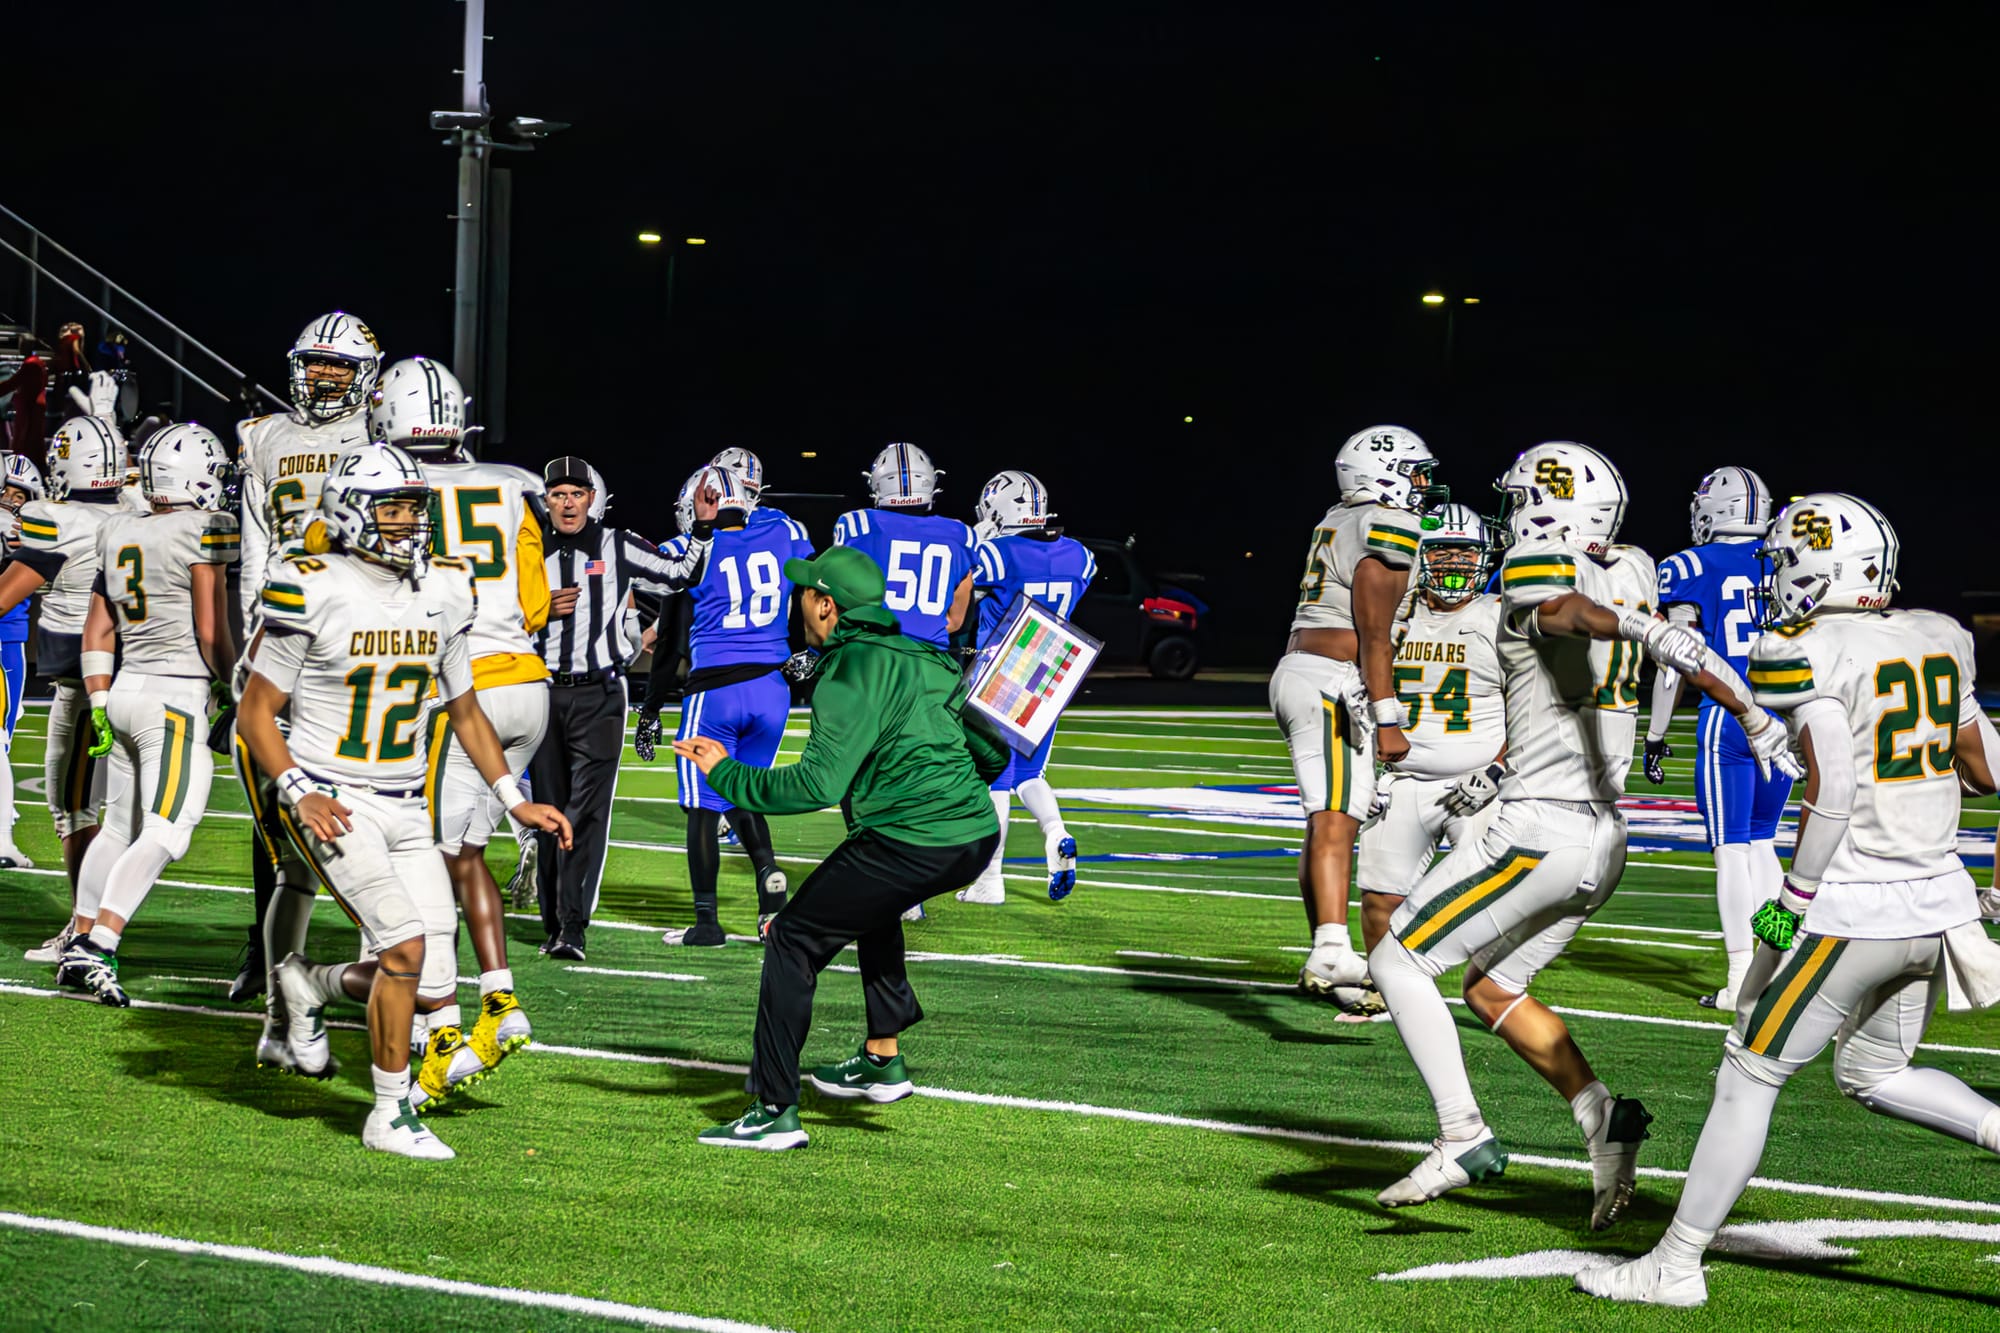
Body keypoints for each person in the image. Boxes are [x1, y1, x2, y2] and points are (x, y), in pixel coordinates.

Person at [1579, 493, 2000, 1307]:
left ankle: (1675, 1263)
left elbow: (1832, 790)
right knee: (1875, 1071)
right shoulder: (1939, 634)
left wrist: (1789, 906)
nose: (1775, 575)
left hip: (1855, 908)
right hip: (1939, 911)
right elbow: (1985, 770)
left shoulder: (1802, 646)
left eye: (1783, 561)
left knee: (1749, 1069)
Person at [1366, 441, 1800, 1228]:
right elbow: (1652, 644)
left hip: (1541, 828)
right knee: (1491, 987)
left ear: (1548, 508)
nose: (1508, 517)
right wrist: (1746, 708)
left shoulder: (1550, 567)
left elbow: (1564, 612)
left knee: (1397, 959)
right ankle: (1602, 1119)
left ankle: (1462, 1133)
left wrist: (1641, 632)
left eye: (1518, 501)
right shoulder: (1633, 566)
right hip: (1604, 838)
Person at [241, 441, 571, 1158]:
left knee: (430, 979)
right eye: (392, 508)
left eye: (414, 508)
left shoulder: (443, 588)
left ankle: (309, 982)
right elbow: (255, 711)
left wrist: (513, 799)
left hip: (407, 801)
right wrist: (297, 789)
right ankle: (388, 1114)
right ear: (350, 512)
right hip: (333, 793)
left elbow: (467, 710)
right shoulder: (310, 583)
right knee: (404, 945)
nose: (408, 523)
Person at [673, 545, 1007, 1150]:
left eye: (805, 592)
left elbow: (816, 785)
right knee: (873, 906)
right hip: (975, 835)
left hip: (912, 838)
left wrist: (725, 772)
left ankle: (773, 1109)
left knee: (792, 938)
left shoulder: (848, 669)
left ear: (826, 606)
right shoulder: (926, 655)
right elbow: (993, 754)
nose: (797, 601)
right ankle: (882, 1058)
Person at [370, 356, 551, 1091]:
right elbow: (536, 604)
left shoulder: (391, 485)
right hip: (529, 688)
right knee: (466, 854)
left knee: (425, 859)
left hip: (463, 690)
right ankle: (500, 997)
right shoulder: (511, 486)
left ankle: (437, 1023)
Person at [54, 425, 240, 1006]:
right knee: (168, 830)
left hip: (124, 690)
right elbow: (210, 630)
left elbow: (97, 629)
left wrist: (99, 700)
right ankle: (99, 944)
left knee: (118, 827)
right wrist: (236, 683)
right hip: (175, 697)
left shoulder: (118, 527)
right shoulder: (205, 527)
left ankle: (79, 937)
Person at [230, 312, 382, 1002]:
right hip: (285, 630)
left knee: (365, 796)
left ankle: (380, 956)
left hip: (353, 634)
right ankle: (267, 954)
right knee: (274, 801)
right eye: (315, 363)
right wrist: (250, 639)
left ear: (364, 376)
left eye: (338, 366)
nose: (323, 376)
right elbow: (255, 548)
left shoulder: (378, 433)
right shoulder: (264, 436)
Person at [1271, 425, 1443, 1004]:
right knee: (1337, 816)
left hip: (1307, 670)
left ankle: (1328, 951)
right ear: (1384, 474)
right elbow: (1375, 635)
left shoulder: (1340, 517)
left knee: (1328, 817)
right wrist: (1388, 716)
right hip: (1333, 678)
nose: (1423, 485)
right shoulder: (1385, 524)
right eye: (1416, 473)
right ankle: (1329, 948)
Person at [529, 455, 713, 959]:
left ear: (592, 499)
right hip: (541, 693)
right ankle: (553, 922)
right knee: (548, 812)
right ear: (547, 500)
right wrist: (539, 609)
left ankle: (572, 927)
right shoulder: (527, 547)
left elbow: (680, 576)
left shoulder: (617, 544)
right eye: (559, 494)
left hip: (601, 695)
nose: (568, 503)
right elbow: (492, 608)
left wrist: (701, 529)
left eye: (577, 494)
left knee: (586, 813)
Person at [641, 465, 809, 947]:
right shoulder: (782, 533)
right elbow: (814, 590)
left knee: (702, 805)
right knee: (744, 794)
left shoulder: (690, 549)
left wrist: (651, 709)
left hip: (716, 690)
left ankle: (707, 922)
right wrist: (812, 653)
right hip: (772, 689)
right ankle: (770, 893)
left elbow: (669, 643)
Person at [1348, 505, 1507, 1014]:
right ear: (1420, 556)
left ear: (1485, 557)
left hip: (1479, 783)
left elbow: (1535, 708)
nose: (1454, 561)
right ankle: (1387, 992)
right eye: (1441, 550)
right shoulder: (1393, 615)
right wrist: (1360, 772)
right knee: (1379, 897)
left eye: (1466, 551)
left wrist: (1499, 770)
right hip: (1403, 780)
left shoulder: (1502, 617)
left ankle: (1500, 995)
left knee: (1492, 897)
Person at [1642, 466, 1790, 1011]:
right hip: (1783, 715)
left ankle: (1739, 978)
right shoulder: (1781, 559)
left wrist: (1656, 733)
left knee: (1730, 850)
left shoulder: (1688, 566)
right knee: (1763, 845)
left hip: (1727, 716)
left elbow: (1674, 661)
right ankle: (1778, 965)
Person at [7, 417, 122, 961]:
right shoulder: (133, 510)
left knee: (74, 811)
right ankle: (97, 924)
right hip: (135, 672)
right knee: (122, 815)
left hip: (83, 680)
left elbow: (5, 595)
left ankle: (85, 931)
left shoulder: (56, 520)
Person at [956, 470, 1097, 905]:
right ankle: (1055, 832)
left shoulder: (998, 554)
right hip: (1053, 670)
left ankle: (989, 880)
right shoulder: (1079, 555)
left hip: (1003, 671)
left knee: (994, 781)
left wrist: (977, 542)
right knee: (1030, 775)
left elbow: (962, 582)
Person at [830, 442, 976, 649]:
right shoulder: (959, 534)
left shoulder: (859, 526)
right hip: (929, 659)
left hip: (873, 655)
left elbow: (834, 600)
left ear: (877, 483)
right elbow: (957, 621)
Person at [0, 454, 46, 866]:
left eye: (19, 496)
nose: (12, 503)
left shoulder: (29, 533)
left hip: (7, 641)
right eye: (6, 494)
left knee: (4, 737)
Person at [0, 351, 49, 453]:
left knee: (25, 441)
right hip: (35, 404)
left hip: (29, 406)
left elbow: (12, 383)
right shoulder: (38, 362)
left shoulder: (30, 364)